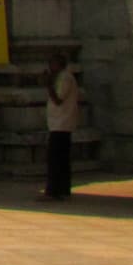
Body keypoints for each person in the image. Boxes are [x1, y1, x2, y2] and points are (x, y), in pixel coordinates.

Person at [42, 51, 80, 201]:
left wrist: (48, 84)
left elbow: (58, 99)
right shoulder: (62, 77)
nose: (50, 67)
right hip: (59, 123)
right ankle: (63, 189)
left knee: (55, 159)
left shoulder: (65, 77)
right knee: (61, 159)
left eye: (52, 64)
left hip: (61, 123)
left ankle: (54, 191)